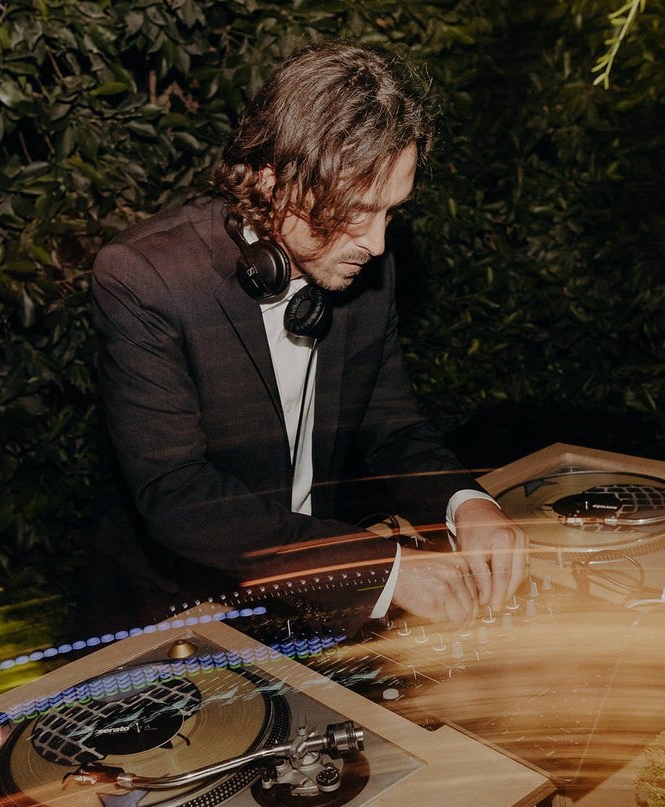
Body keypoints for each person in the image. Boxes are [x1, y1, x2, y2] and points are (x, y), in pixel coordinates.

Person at [84, 41, 527, 634]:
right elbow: (180, 495)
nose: (376, 244)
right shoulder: (146, 278)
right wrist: (383, 569)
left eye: (391, 212)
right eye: (357, 210)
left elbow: (392, 426)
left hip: (314, 598)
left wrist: (467, 504)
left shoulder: (366, 268)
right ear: (273, 183)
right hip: (177, 608)